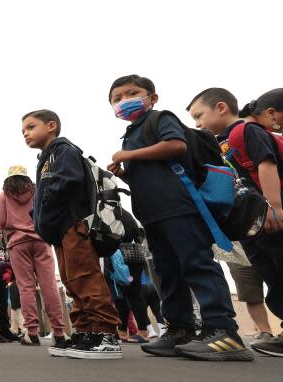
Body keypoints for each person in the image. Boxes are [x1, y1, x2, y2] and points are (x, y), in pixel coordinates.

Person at [107, 75, 250, 361]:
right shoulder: (132, 132)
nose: (124, 101)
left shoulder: (160, 118)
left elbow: (176, 146)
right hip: (152, 212)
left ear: (152, 97)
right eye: (117, 98)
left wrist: (129, 154)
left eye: (132, 93)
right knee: (167, 272)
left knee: (196, 263)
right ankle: (180, 328)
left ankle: (223, 331)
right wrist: (127, 168)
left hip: (180, 206)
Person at [187, 87, 283, 357]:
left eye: (199, 115)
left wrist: (274, 206)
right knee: (270, 271)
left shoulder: (246, 131)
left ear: (220, 107)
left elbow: (266, 163)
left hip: (270, 215)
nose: (197, 123)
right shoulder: (221, 141)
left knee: (280, 265)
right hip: (251, 223)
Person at [25, 109, 122, 359]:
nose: (26, 133)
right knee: (70, 280)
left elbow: (66, 182)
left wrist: (43, 206)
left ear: (51, 125)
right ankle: (85, 330)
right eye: (23, 130)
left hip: (73, 224)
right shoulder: (45, 157)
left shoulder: (63, 150)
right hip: (58, 230)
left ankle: (105, 333)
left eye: (31, 127)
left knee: (85, 276)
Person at [0, 165, 67, 347]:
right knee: (49, 284)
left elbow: (1, 221)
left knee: (25, 287)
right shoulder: (37, 192)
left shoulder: (3, 195)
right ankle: (59, 332)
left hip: (17, 244)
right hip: (41, 240)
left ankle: (32, 332)